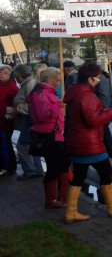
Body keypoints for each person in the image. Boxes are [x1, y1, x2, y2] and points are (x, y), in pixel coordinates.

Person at [63, 61, 112, 223]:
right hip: (90, 143)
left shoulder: (73, 91)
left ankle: (70, 212)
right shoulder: (88, 96)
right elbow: (94, 120)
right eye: (97, 78)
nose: (99, 80)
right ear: (91, 79)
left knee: (79, 176)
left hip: (77, 141)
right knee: (106, 172)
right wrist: (111, 112)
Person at [28, 67, 69, 208]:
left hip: (54, 134)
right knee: (53, 167)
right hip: (49, 135)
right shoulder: (41, 94)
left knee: (62, 165)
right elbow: (43, 115)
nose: (58, 83)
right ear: (50, 80)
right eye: (57, 80)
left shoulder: (44, 92)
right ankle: (51, 200)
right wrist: (58, 105)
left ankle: (63, 196)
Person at [12, 64, 47, 180]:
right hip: (28, 120)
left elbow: (35, 104)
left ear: (19, 76)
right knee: (31, 146)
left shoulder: (30, 84)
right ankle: (37, 170)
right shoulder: (28, 83)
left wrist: (17, 109)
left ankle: (31, 170)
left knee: (23, 146)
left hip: (30, 121)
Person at [0, 65, 18, 177]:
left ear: (10, 75)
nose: (1, 74)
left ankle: (7, 167)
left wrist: (7, 115)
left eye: (5, 72)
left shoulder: (13, 88)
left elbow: (15, 106)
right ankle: (7, 165)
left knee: (5, 144)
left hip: (5, 121)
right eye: (0, 72)